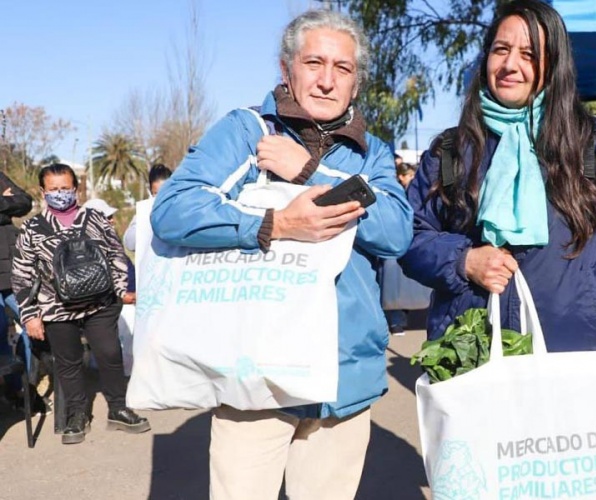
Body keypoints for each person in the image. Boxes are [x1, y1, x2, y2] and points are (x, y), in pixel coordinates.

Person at [149, 10, 412, 500]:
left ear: (356, 82)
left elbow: (395, 233)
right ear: (286, 68)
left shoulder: (372, 151)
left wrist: (311, 171)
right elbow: (172, 211)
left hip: (345, 376)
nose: (328, 81)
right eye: (315, 62)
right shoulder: (247, 132)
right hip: (259, 376)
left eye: (343, 68)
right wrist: (272, 225)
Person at [401, 1, 596, 387]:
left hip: (578, 357)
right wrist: (463, 260)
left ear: (553, 65)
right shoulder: (450, 150)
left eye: (529, 54)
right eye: (500, 49)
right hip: (474, 358)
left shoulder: (594, 143)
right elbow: (409, 238)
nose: (510, 65)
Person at [11, 164, 150, 445]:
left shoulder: (95, 218)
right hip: (56, 307)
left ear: (75, 189)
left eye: (65, 188)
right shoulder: (32, 228)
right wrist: (30, 315)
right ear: (43, 191)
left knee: (110, 353)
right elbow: (21, 275)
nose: (60, 194)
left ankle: (118, 408)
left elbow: (116, 255)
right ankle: (76, 415)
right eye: (53, 190)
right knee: (68, 362)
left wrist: (120, 291)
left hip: (101, 303)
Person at [0, 171, 40, 411]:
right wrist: (6, 204)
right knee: (0, 330)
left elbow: (24, 202)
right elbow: (13, 204)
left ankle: (25, 387)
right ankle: (12, 388)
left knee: (31, 322)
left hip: (12, 267)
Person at [382, 162, 424, 335]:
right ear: (401, 176)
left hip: (405, 240)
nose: (413, 179)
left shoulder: (414, 193)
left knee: (401, 282)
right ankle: (396, 321)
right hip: (395, 241)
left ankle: (400, 317)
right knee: (394, 282)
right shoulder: (396, 194)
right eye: (410, 176)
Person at [123, 163, 172, 253]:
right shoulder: (144, 213)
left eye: (165, 193)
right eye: (156, 193)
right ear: (150, 191)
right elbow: (130, 244)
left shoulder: (180, 210)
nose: (160, 198)